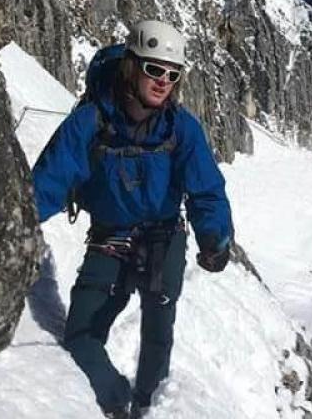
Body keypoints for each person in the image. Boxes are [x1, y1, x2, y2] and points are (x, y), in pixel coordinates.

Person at [31, 21, 234, 418]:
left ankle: (148, 405)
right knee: (81, 336)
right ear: (130, 67)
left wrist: (215, 237)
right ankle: (115, 401)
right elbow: (48, 184)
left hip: (164, 234)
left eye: (173, 74)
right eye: (154, 69)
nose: (163, 81)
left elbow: (206, 188)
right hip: (111, 236)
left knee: (159, 327)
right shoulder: (90, 122)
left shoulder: (181, 128)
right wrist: (11, 228)